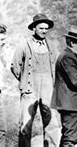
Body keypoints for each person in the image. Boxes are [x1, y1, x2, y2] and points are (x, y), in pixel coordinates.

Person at [11, 13, 61, 146]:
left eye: (46, 29)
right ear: (34, 28)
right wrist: (24, 81)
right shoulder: (24, 45)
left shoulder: (52, 46)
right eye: (41, 28)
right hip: (30, 88)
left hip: (48, 88)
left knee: (52, 122)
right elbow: (15, 66)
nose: (44, 31)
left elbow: (56, 65)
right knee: (25, 124)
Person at [51, 26, 77, 146]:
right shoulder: (67, 57)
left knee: (68, 137)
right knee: (70, 139)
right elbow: (75, 81)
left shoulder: (71, 56)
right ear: (72, 42)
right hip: (70, 104)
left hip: (72, 103)